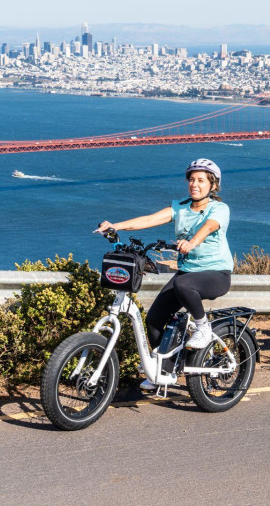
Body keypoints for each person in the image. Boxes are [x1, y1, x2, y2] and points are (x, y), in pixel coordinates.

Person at [96, 158, 233, 391]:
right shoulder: (179, 207)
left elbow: (208, 227)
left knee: (183, 284)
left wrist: (192, 242)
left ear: (212, 185)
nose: (194, 184)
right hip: (188, 273)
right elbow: (149, 219)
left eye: (201, 180)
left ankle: (203, 328)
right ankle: (163, 370)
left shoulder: (219, 209)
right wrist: (115, 226)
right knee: (154, 320)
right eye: (191, 180)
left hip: (216, 273)